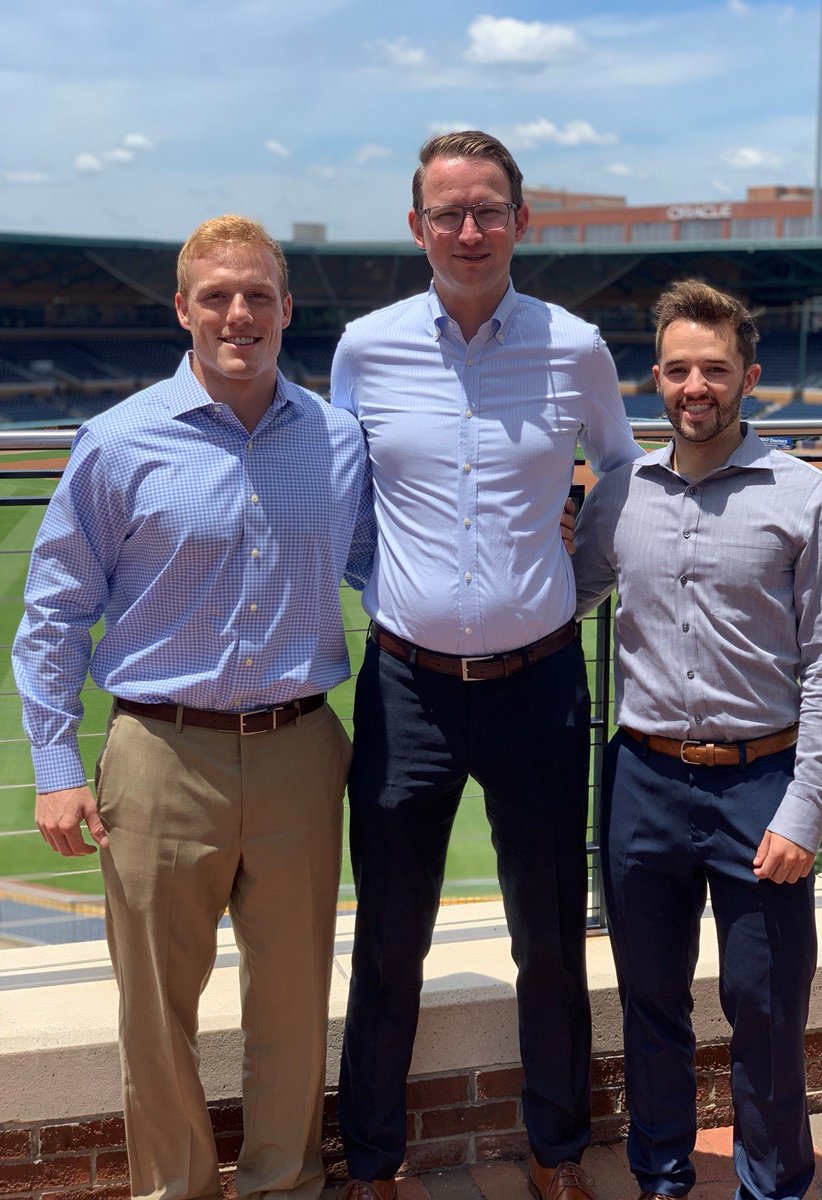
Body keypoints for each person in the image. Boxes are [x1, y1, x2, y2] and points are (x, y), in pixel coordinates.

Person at [12, 215, 375, 1200]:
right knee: (156, 1012)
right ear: (183, 308)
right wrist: (55, 765)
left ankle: (284, 1184)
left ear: (286, 309)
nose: (238, 314)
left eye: (257, 295)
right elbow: (55, 612)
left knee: (294, 1000)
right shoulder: (118, 440)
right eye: (216, 295)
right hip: (161, 754)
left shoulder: (339, 441)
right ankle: (174, 1190)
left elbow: (384, 567)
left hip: (302, 746)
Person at [330, 130, 642, 1200]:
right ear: (417, 226)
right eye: (449, 213)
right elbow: (346, 493)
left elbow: (621, 472)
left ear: (521, 220)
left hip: (541, 685)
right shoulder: (367, 348)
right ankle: (374, 1163)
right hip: (406, 689)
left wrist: (577, 584)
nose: (470, 231)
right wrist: (384, 584)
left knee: (550, 939)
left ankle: (558, 1151)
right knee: (388, 942)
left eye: (490, 210)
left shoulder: (575, 346)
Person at [573, 280, 822, 1200]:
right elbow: (562, 597)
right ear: (654, 378)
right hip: (643, 780)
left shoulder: (807, 498)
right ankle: (661, 1176)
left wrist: (808, 808)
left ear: (749, 377)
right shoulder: (621, 495)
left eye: (715, 369)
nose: (695, 385)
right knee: (650, 1002)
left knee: (767, 1009)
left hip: (760, 783)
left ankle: (772, 1185)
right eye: (678, 369)